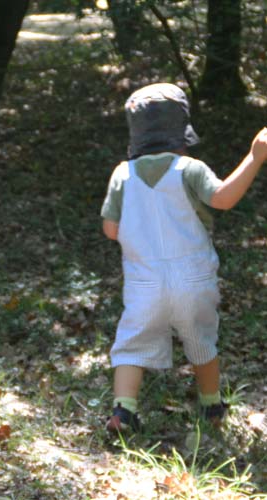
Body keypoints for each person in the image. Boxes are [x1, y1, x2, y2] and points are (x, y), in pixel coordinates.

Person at [101, 83, 267, 432]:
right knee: (201, 341)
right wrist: (255, 156)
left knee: (132, 344)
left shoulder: (122, 175)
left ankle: (123, 411)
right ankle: (211, 406)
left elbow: (111, 230)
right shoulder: (189, 168)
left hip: (144, 282)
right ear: (181, 132)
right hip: (193, 277)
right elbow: (222, 198)